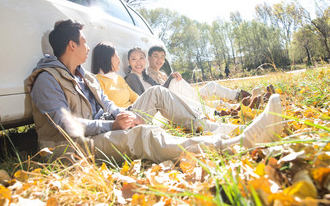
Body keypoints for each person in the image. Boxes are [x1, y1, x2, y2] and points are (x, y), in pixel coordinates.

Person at [26, 19, 284, 164]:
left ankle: (213, 128)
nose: (87, 47)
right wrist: (113, 126)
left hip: (106, 127)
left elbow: (109, 105)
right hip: (72, 146)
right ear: (72, 45)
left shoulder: (86, 77)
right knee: (142, 134)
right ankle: (231, 144)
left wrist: (124, 115)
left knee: (157, 94)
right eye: (83, 42)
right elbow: (64, 125)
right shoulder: (47, 80)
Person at [91, 42, 138, 108]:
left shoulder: (119, 78)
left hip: (135, 111)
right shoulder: (97, 80)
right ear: (107, 58)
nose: (119, 59)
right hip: (123, 115)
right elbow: (106, 106)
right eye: (116, 55)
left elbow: (135, 97)